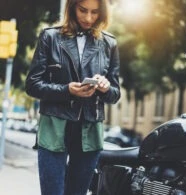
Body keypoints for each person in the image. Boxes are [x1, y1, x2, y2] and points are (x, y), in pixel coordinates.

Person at [25, 0, 120, 194]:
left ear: (102, 13)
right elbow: (32, 85)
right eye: (82, 10)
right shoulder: (50, 37)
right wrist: (67, 90)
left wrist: (105, 87)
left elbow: (115, 95)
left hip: (90, 129)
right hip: (54, 127)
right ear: (71, 7)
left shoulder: (109, 43)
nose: (88, 18)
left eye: (94, 12)